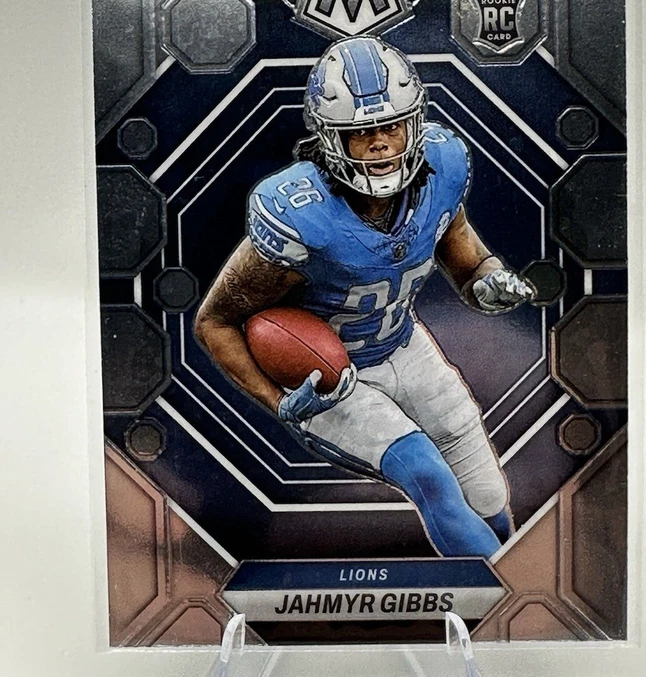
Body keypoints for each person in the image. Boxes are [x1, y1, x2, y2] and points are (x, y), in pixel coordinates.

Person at [194, 36, 535, 560]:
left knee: (488, 493)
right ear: (330, 139)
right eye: (361, 132)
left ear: (414, 123)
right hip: (332, 377)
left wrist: (487, 280)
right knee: (427, 475)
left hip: (404, 345)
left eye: (391, 126)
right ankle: (505, 595)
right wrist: (280, 402)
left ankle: (505, 594)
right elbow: (215, 322)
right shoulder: (300, 213)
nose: (380, 143)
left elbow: (463, 255)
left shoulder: (442, 166)